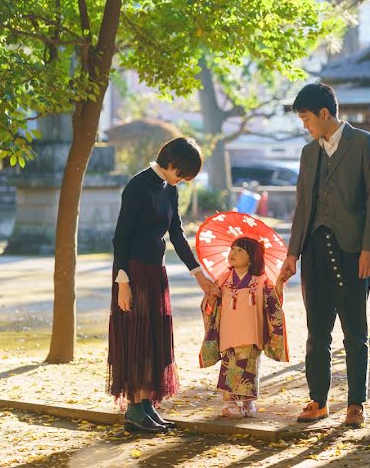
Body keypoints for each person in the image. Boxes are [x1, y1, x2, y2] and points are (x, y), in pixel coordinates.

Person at [278, 83, 370, 428]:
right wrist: (292, 253)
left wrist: (369, 248)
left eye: (306, 118)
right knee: (316, 330)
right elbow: (302, 207)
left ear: (325, 114)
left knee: (355, 330)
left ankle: (356, 404)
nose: (304, 125)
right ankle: (318, 399)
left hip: (353, 249)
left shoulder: (366, 144)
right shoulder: (309, 153)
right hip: (313, 251)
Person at [107, 136, 220, 433]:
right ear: (171, 165)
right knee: (136, 340)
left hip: (156, 274)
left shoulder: (168, 189)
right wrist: (123, 282)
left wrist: (198, 274)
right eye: (182, 175)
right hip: (132, 274)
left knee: (152, 340)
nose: (181, 181)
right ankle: (134, 408)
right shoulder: (138, 185)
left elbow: (177, 234)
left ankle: (146, 406)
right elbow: (121, 238)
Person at [198, 236, 289, 418]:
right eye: (232, 249)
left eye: (240, 250)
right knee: (230, 364)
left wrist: (279, 284)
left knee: (250, 365)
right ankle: (229, 403)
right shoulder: (223, 280)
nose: (233, 253)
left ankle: (247, 402)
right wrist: (212, 296)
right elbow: (209, 307)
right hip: (229, 331)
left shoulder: (262, 280)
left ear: (253, 256)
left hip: (252, 330)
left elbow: (274, 305)